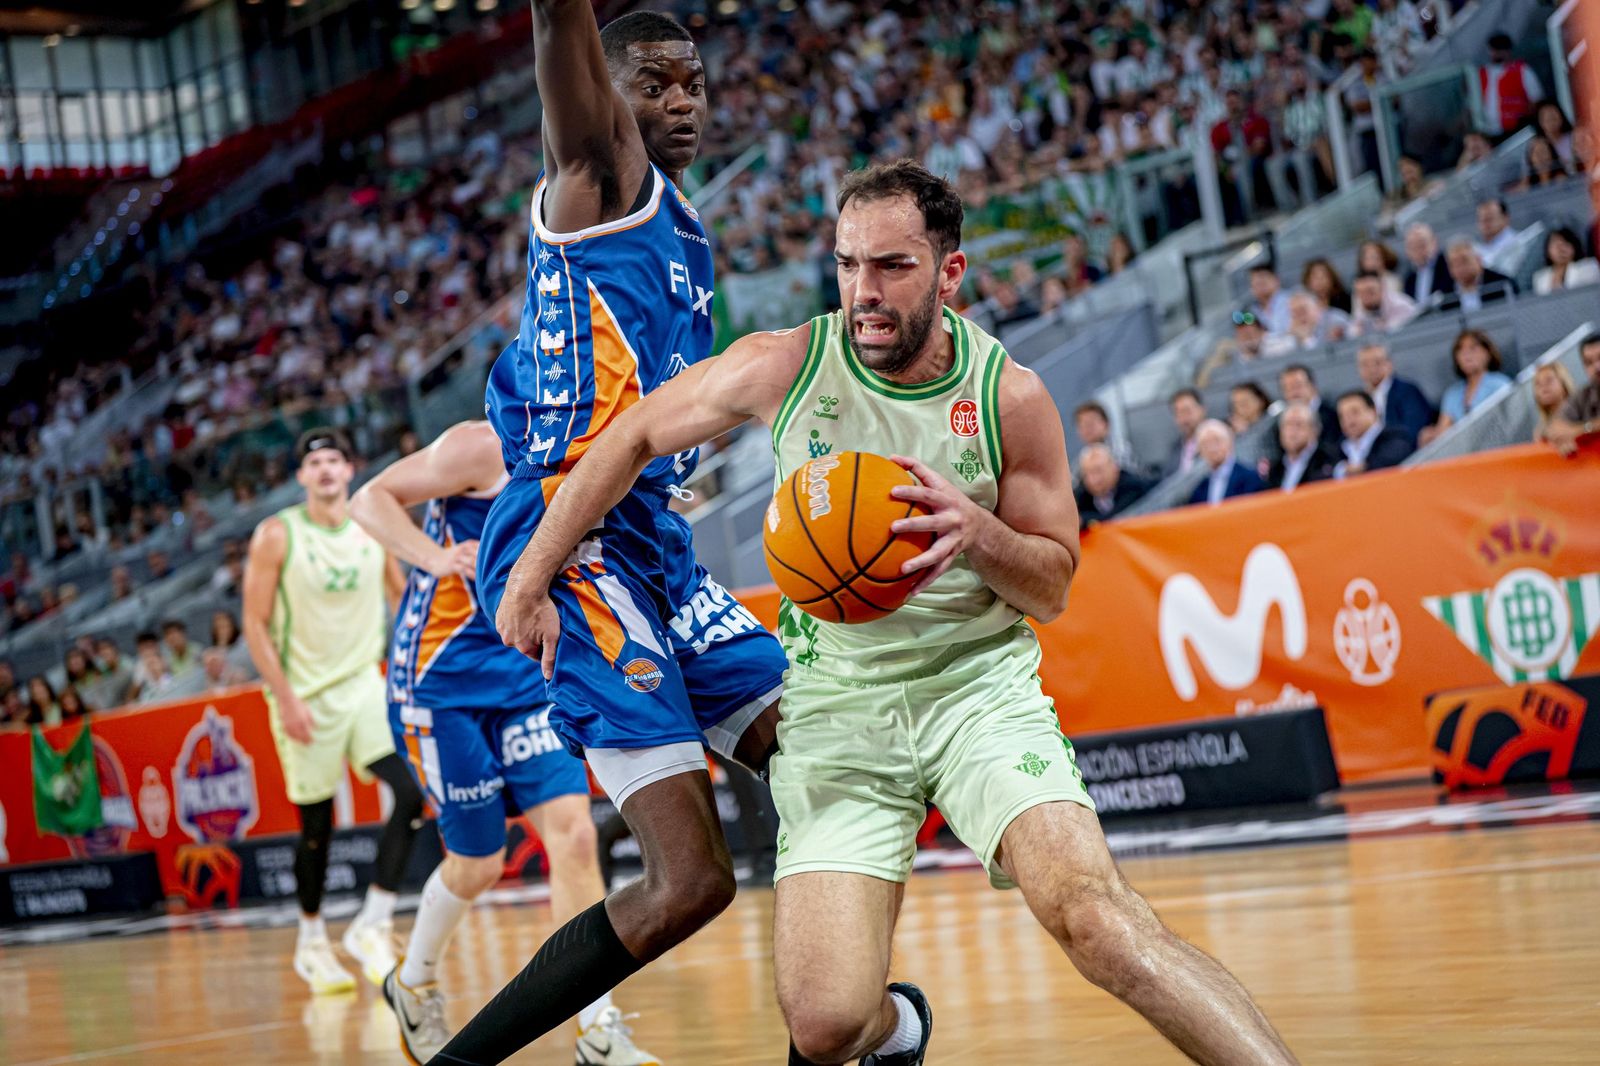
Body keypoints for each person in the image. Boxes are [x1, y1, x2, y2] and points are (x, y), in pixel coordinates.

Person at [488, 158, 1297, 1066]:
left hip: (976, 694)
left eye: (891, 267)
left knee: (1095, 920)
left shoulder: (1010, 397)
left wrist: (978, 531)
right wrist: (529, 576)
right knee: (829, 1026)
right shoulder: (785, 363)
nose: (863, 291)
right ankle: (899, 1031)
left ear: (949, 271)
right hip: (837, 707)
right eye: (847, 265)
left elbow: (1054, 585)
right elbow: (629, 436)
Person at [436, 9, 790, 1062]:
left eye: (692, 82)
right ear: (608, 85)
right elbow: (565, 40)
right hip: (569, 532)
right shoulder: (602, 174)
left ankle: (847, 1022)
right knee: (692, 880)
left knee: (831, 773)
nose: (678, 100)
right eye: (652, 81)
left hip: (653, 545)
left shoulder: (680, 221)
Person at [349, 421, 659, 1064]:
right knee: (480, 862)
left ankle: (596, 1030)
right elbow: (368, 497)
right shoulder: (478, 443)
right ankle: (412, 981)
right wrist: (433, 559)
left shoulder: (602, 439)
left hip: (524, 670)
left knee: (574, 837)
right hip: (442, 683)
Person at [241, 427, 426, 996]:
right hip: (304, 696)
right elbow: (253, 623)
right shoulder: (277, 535)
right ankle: (311, 939)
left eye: (334, 460)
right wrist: (287, 698)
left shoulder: (371, 527)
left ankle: (372, 923)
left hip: (363, 686)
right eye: (314, 461)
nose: (324, 469)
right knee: (316, 828)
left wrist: (409, 667)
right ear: (301, 476)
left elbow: (403, 598)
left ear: (350, 470)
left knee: (411, 792)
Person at [1420, 330, 1515, 446]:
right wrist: (1431, 436)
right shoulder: (1453, 393)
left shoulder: (1500, 385)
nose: (1466, 355)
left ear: (1488, 353)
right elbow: (1443, 433)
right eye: (1460, 350)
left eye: (1473, 348)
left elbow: (1510, 425)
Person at [1355, 342, 1433, 443]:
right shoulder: (1358, 399)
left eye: (1377, 362)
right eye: (1365, 364)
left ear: (1389, 364)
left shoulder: (1408, 391)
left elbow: (1413, 430)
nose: (1372, 369)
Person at [1333, 390, 1415, 477]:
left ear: (1374, 411)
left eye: (1355, 412)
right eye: (1342, 416)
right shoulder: (1336, 448)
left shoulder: (1395, 436)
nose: (1349, 420)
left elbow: (1389, 462)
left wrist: (1363, 468)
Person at [1542, 334, 1600, 457]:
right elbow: (1553, 426)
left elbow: (1574, 430)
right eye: (1588, 362)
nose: (1597, 367)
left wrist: (1580, 431)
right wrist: (1562, 439)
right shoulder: (1584, 395)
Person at [1479, 32, 1544, 136]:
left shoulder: (1522, 70)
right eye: (1494, 49)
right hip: (1487, 133)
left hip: (1516, 130)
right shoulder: (1481, 73)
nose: (1497, 53)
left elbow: (1536, 100)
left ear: (1508, 50)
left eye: (1500, 49)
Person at [1189, 419, 1265, 505]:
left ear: (1229, 442)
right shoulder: (1200, 487)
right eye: (1205, 444)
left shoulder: (1249, 477)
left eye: (1216, 441)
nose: (1212, 448)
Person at [1264, 403, 1338, 491]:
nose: (1292, 431)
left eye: (1299, 424)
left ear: (1314, 431)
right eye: (1288, 425)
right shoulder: (1275, 469)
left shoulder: (1329, 460)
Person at [1074, 445, 1151, 528]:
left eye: (1098, 471)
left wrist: (1084, 520)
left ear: (1114, 467)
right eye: (1087, 474)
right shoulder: (1081, 496)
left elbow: (1116, 518)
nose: (1094, 480)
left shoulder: (1133, 487)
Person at [1435, 239, 1517, 313]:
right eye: (1454, 264)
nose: (1460, 268)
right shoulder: (1445, 296)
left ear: (1478, 260)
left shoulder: (1502, 284)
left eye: (1464, 261)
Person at [1278, 364, 1344, 454]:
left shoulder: (1333, 414)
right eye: (1287, 388)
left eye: (1297, 386)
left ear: (1312, 386)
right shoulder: (1280, 421)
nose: (1293, 393)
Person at [1533, 227, 1600, 295]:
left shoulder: (1587, 268)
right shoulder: (1540, 278)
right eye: (1556, 245)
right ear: (1547, 251)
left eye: (1565, 244)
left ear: (1574, 246)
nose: (1561, 250)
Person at [1402, 222, 1453, 304]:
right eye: (1413, 247)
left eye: (1422, 244)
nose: (1419, 251)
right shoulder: (1409, 279)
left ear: (1434, 242)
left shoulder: (1448, 265)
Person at [1532, 362, 1578, 444]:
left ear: (1564, 384)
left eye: (1549, 380)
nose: (1543, 386)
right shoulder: (1540, 430)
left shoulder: (1581, 412)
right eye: (1538, 384)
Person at [1167, 387, 1207, 475]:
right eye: (1178, 413)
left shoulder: (1217, 440)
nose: (1183, 418)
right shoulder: (1176, 447)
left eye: (1187, 411)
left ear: (1202, 410)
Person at [1471, 198, 1520, 266]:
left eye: (1489, 219)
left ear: (1505, 218)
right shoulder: (1477, 251)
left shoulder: (1520, 244)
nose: (1485, 224)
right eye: (1481, 220)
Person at [1246, 264, 1292, 333]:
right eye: (1256, 283)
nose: (1260, 286)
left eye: (1263, 282)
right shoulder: (1251, 312)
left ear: (1277, 280)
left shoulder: (1293, 301)